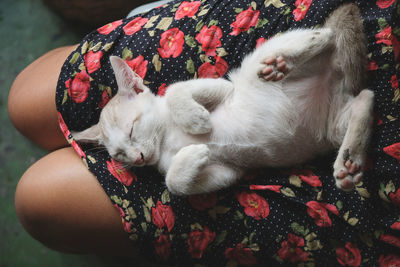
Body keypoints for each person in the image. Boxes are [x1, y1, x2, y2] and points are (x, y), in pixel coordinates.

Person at [8, 0, 400, 265]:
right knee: (24, 108)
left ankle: (322, 41)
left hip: (275, 86)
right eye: (122, 155)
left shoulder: (167, 101)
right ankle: (356, 113)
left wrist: (180, 101)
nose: (135, 155)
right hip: (315, 130)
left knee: (255, 67)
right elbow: (226, 174)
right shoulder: (163, 164)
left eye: (130, 134)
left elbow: (225, 89)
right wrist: (181, 178)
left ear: (138, 88)